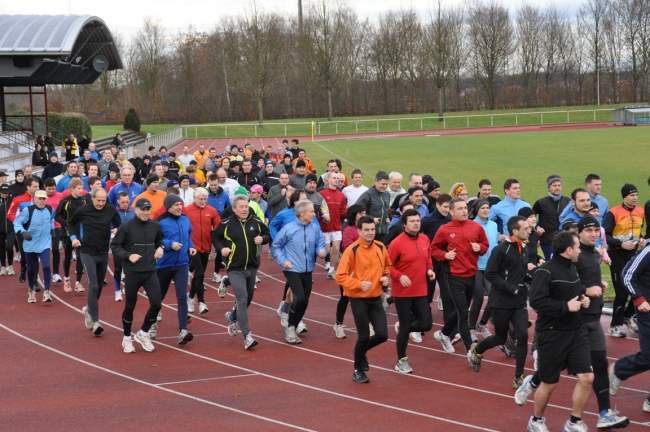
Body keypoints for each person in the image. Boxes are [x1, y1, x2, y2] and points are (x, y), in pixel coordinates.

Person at [517, 231, 593, 432]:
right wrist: (565, 307)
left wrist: (582, 299)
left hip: (576, 331)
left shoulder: (572, 268)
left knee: (587, 377)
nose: (579, 250)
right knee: (549, 383)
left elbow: (572, 292)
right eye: (577, 247)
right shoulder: (546, 272)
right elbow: (537, 302)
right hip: (552, 333)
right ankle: (536, 420)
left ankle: (574, 422)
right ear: (568, 250)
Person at [467, 216, 530, 388]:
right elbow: (490, 274)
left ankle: (518, 376)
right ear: (515, 231)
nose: (529, 230)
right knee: (500, 337)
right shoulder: (500, 250)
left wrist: (531, 279)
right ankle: (478, 350)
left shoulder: (524, 249)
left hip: (519, 302)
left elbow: (521, 272)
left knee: (523, 335)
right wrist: (510, 288)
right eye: (525, 228)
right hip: (501, 301)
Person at [336, 215, 391, 383]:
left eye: (372, 229)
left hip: (375, 298)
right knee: (364, 335)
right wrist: (359, 284)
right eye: (366, 230)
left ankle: (359, 350)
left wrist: (386, 277)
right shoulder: (352, 250)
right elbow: (340, 276)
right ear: (359, 231)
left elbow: (387, 266)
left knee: (382, 334)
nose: (370, 233)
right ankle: (358, 370)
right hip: (358, 298)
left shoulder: (381, 247)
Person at [430, 197, 488, 354]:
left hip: (471, 273)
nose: (464, 211)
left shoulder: (476, 227)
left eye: (465, 208)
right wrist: (445, 255)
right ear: (452, 212)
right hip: (454, 275)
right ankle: (470, 351)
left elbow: (485, 245)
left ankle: (443, 334)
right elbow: (434, 249)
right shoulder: (444, 229)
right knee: (463, 312)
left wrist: (480, 248)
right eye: (460, 208)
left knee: (461, 309)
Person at [213, 193, 270, 350]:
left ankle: (232, 317)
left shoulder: (256, 221)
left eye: (246, 206)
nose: (245, 209)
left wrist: (263, 239)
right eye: (241, 207)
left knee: (248, 299)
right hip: (235, 268)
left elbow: (267, 234)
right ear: (234, 208)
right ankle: (247, 336)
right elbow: (215, 237)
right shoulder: (226, 223)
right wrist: (221, 248)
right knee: (243, 300)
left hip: (251, 267)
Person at [111, 197, 165, 353]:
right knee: (130, 305)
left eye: (148, 210)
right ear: (136, 210)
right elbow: (115, 246)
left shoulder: (155, 225)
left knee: (157, 304)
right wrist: (128, 256)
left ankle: (143, 333)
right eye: (143, 210)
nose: (146, 212)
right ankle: (126, 338)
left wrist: (160, 248)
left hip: (150, 271)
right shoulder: (126, 227)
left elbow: (159, 240)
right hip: (133, 272)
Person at [271, 200, 326, 344]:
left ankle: (293, 325)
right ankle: (290, 327)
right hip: (292, 268)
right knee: (300, 297)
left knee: (305, 301)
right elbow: (276, 246)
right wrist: (283, 261)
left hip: (307, 269)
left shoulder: (314, 228)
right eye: (312, 211)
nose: (314, 214)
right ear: (302, 213)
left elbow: (320, 242)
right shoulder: (288, 229)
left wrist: (321, 250)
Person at [69, 188, 122, 337]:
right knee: (92, 286)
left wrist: (117, 229)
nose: (100, 203)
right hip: (86, 252)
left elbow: (119, 223)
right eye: (98, 200)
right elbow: (71, 224)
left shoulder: (110, 210)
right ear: (92, 198)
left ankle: (88, 310)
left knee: (98, 287)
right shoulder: (83, 210)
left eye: (103, 201)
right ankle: (96, 322)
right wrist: (73, 238)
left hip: (103, 252)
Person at [388, 209, 434, 374]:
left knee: (426, 324)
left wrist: (430, 269)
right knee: (406, 326)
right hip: (402, 293)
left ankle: (403, 327)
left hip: (421, 290)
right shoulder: (397, 243)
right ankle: (401, 360)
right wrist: (399, 276)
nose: (416, 223)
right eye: (412, 221)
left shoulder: (424, 238)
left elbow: (428, 257)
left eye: (418, 220)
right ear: (405, 224)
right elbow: (387, 266)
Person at [150, 194, 196, 345]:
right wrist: (170, 244)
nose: (179, 207)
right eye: (176, 205)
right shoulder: (160, 222)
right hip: (164, 265)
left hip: (182, 264)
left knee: (182, 296)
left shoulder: (185, 219)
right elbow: (154, 240)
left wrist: (191, 247)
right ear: (168, 206)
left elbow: (188, 236)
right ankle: (151, 324)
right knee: (158, 298)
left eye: (180, 204)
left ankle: (183, 330)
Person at [611, 241, 650, 413]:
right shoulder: (648, 252)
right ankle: (620, 370)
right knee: (649, 356)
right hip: (647, 309)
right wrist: (639, 299)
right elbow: (627, 274)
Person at [604, 183, 646, 338]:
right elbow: (605, 235)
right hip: (616, 254)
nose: (635, 198)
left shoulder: (641, 211)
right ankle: (615, 325)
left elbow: (638, 231)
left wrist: (640, 240)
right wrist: (621, 244)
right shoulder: (613, 213)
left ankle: (628, 316)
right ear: (624, 196)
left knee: (638, 288)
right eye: (631, 195)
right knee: (621, 292)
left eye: (636, 195)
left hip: (633, 255)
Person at [13, 190, 55, 303]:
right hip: (30, 243)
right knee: (31, 269)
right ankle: (31, 289)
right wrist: (22, 232)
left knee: (46, 266)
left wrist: (53, 230)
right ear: (35, 199)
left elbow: (51, 220)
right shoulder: (28, 211)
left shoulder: (50, 209)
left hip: (45, 243)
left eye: (43, 199)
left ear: (46, 199)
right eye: (39, 199)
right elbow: (17, 222)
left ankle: (47, 292)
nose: (41, 201)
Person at [186, 188, 220, 315]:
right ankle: (201, 302)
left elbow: (218, 228)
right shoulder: (187, 210)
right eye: (201, 198)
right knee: (200, 273)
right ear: (194, 198)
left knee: (198, 275)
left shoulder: (212, 211)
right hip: (192, 247)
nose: (203, 201)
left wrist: (217, 243)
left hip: (206, 247)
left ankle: (190, 297)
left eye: (205, 199)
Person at [469, 199, 499, 342]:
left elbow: (495, 244)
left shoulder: (493, 225)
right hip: (475, 266)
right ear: (477, 210)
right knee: (479, 298)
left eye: (487, 208)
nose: (486, 210)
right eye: (483, 208)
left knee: (494, 297)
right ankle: (470, 328)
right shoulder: (472, 225)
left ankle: (482, 323)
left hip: (491, 266)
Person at [335, 203, 367, 338]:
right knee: (345, 298)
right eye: (361, 213)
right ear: (354, 215)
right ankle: (338, 324)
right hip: (350, 270)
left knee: (367, 297)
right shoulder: (349, 230)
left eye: (365, 213)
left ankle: (366, 324)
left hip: (365, 269)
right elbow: (348, 248)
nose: (364, 215)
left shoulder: (367, 229)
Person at [55, 178, 88, 293]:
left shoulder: (84, 201)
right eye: (78, 188)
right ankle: (67, 279)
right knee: (68, 257)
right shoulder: (66, 201)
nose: (81, 191)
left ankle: (78, 282)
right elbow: (56, 216)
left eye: (81, 188)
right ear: (72, 189)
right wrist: (66, 224)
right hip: (67, 232)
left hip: (80, 232)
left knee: (80, 257)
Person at [7, 177, 40, 283]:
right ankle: (23, 268)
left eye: (38, 186)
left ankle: (34, 281)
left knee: (35, 256)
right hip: (22, 232)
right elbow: (9, 214)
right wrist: (19, 221)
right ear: (28, 187)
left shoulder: (40, 199)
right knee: (25, 257)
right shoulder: (18, 199)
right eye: (35, 186)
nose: (37, 188)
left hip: (36, 231)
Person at [533, 174, 571, 260]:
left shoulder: (567, 201)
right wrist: (537, 226)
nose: (557, 188)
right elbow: (530, 216)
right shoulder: (541, 202)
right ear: (549, 187)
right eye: (554, 185)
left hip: (564, 239)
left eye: (559, 185)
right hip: (547, 241)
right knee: (551, 262)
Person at [320, 173, 346, 279]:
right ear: (328, 180)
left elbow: (343, 211)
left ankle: (331, 270)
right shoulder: (322, 194)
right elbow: (318, 210)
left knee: (336, 249)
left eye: (337, 178)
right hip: (325, 228)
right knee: (325, 251)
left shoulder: (341, 195)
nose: (336, 180)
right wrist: (322, 218)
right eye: (334, 178)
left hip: (336, 227)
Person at [112, 192, 135, 301]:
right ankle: (117, 291)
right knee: (118, 269)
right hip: (118, 244)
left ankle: (127, 286)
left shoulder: (134, 211)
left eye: (127, 202)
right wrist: (114, 230)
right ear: (118, 201)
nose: (125, 204)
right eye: (122, 202)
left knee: (130, 268)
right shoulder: (114, 212)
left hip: (131, 244)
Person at [356, 171, 391, 243]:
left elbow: (385, 209)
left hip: (383, 233)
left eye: (387, 184)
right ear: (376, 181)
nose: (385, 186)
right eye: (383, 184)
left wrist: (387, 217)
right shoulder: (368, 194)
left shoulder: (387, 194)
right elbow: (356, 210)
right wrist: (371, 219)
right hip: (370, 233)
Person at [44, 179, 63, 283]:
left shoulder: (60, 196)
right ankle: (47, 272)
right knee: (45, 250)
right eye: (49, 189)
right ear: (45, 187)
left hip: (56, 225)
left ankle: (56, 273)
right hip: (44, 227)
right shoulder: (41, 196)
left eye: (53, 188)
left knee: (55, 249)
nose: (51, 190)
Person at [0, 184, 14, 275]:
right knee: (1, 249)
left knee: (9, 247)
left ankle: (10, 265)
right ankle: (3, 267)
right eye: (3, 193)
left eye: (7, 193)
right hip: (0, 229)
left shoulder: (12, 200)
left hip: (11, 228)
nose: (5, 194)